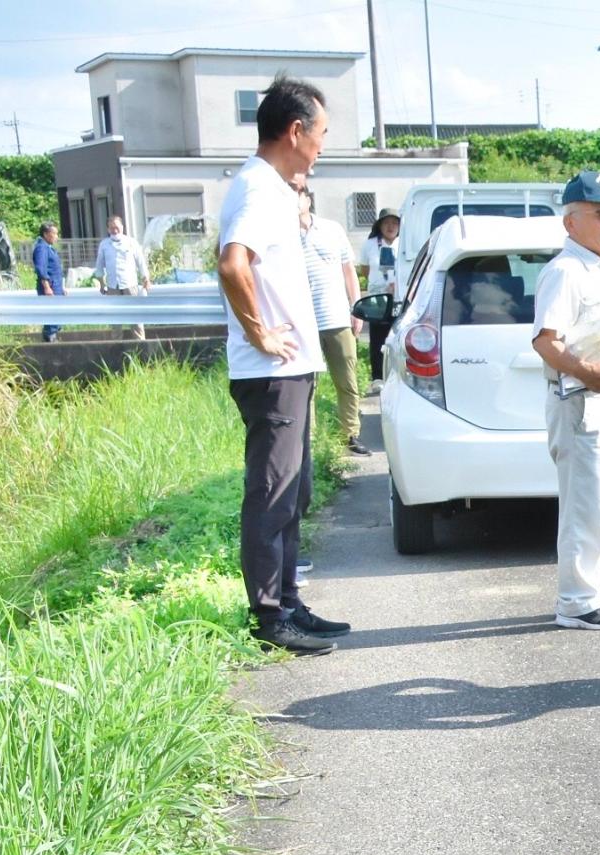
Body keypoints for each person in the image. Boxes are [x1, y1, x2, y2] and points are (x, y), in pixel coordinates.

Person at [215, 75, 349, 657]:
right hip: (270, 374)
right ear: (295, 131)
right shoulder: (257, 188)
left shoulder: (273, 187)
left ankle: (289, 602)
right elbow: (231, 264)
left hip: (291, 371)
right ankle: (269, 617)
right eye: (320, 135)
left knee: (292, 493)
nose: (322, 146)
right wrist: (258, 330)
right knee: (272, 494)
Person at [529, 170, 600, 631]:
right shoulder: (566, 271)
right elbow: (545, 342)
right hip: (579, 403)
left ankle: (592, 589)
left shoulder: (598, 266)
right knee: (585, 505)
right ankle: (575, 601)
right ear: (571, 222)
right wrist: (584, 370)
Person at [296, 183, 369, 456]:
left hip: (337, 316)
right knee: (305, 385)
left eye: (297, 195)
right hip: (302, 322)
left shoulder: (332, 229)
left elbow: (349, 271)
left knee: (347, 379)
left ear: (307, 198)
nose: (293, 201)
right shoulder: (282, 234)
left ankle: (350, 434)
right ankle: (310, 441)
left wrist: (356, 307)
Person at [358, 210, 402, 379]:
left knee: (397, 336)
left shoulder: (403, 243)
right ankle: (378, 377)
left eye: (394, 223)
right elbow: (364, 269)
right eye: (386, 223)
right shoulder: (370, 244)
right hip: (377, 299)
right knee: (377, 339)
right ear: (380, 226)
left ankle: (397, 375)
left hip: (399, 298)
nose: (391, 227)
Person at [94, 216, 151, 339]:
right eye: (111, 228)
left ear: (122, 227)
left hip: (130, 284)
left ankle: (140, 346)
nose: (115, 230)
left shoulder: (131, 242)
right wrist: (101, 283)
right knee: (115, 320)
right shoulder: (104, 244)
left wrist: (146, 279)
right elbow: (99, 266)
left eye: (117, 227)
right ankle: (116, 347)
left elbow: (141, 262)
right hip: (112, 286)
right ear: (108, 229)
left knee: (135, 318)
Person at [31, 223, 65, 342]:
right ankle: (50, 339)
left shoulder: (48, 247)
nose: (56, 236)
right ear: (46, 234)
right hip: (50, 286)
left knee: (57, 314)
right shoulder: (42, 248)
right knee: (52, 315)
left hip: (56, 285)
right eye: (54, 233)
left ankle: (52, 337)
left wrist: (62, 287)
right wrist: (46, 287)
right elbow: (41, 268)